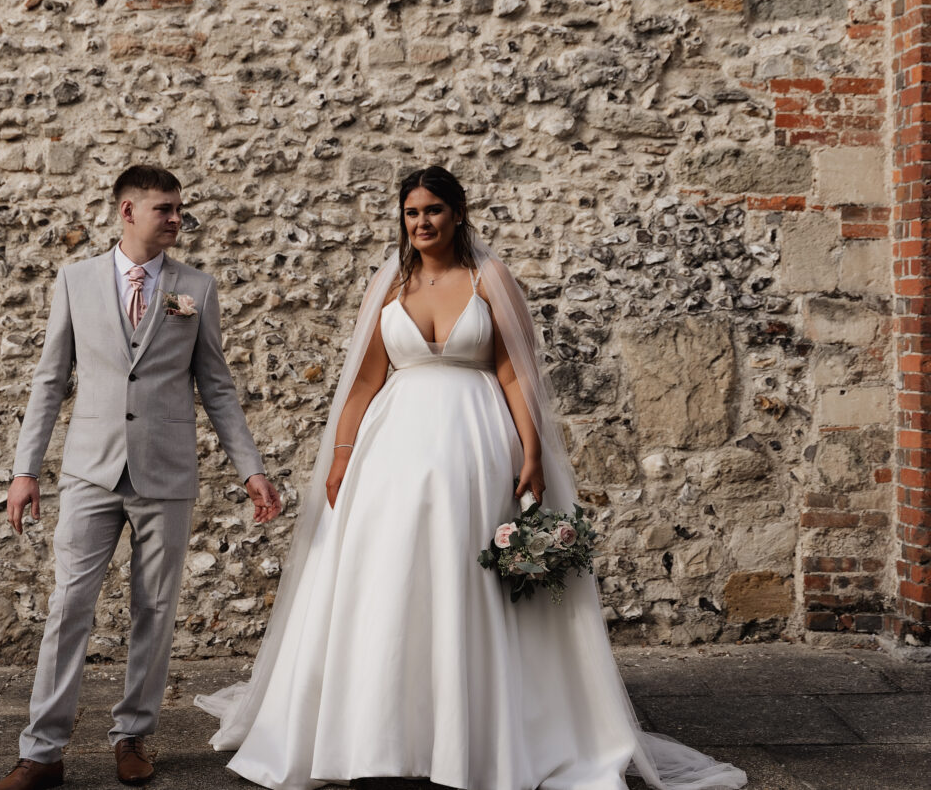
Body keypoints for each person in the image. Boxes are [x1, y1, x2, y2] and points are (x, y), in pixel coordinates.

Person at [197, 165, 747, 790]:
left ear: (458, 212)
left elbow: (517, 373)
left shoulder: (491, 279)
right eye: (411, 213)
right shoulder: (391, 286)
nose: (422, 222)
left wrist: (532, 451)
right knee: (389, 575)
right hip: (392, 450)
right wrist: (342, 456)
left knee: (467, 573)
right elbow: (365, 381)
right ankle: (378, 730)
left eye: (433, 210)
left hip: (476, 443)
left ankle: (476, 730)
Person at [0, 164, 284, 790]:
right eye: (165, 209)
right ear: (127, 211)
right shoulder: (75, 280)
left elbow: (218, 388)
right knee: (68, 606)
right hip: (90, 470)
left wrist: (251, 468)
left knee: (155, 608)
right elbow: (49, 381)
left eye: (180, 209)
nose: (178, 218)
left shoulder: (195, 289)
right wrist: (25, 470)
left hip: (166, 471)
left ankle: (133, 735)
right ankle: (41, 752)